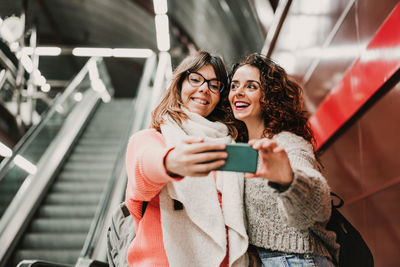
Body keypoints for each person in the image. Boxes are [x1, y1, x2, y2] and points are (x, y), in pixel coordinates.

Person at [124, 51, 248, 267]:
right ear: (180, 83)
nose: (203, 89)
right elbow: (143, 169)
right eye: (195, 79)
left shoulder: (230, 146)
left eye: (213, 84)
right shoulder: (151, 139)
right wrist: (170, 162)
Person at [227, 53, 340, 267]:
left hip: (297, 260)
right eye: (234, 86)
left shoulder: (287, 143)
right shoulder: (239, 147)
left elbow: (319, 202)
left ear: (269, 96)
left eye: (251, 86)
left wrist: (289, 180)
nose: (238, 93)